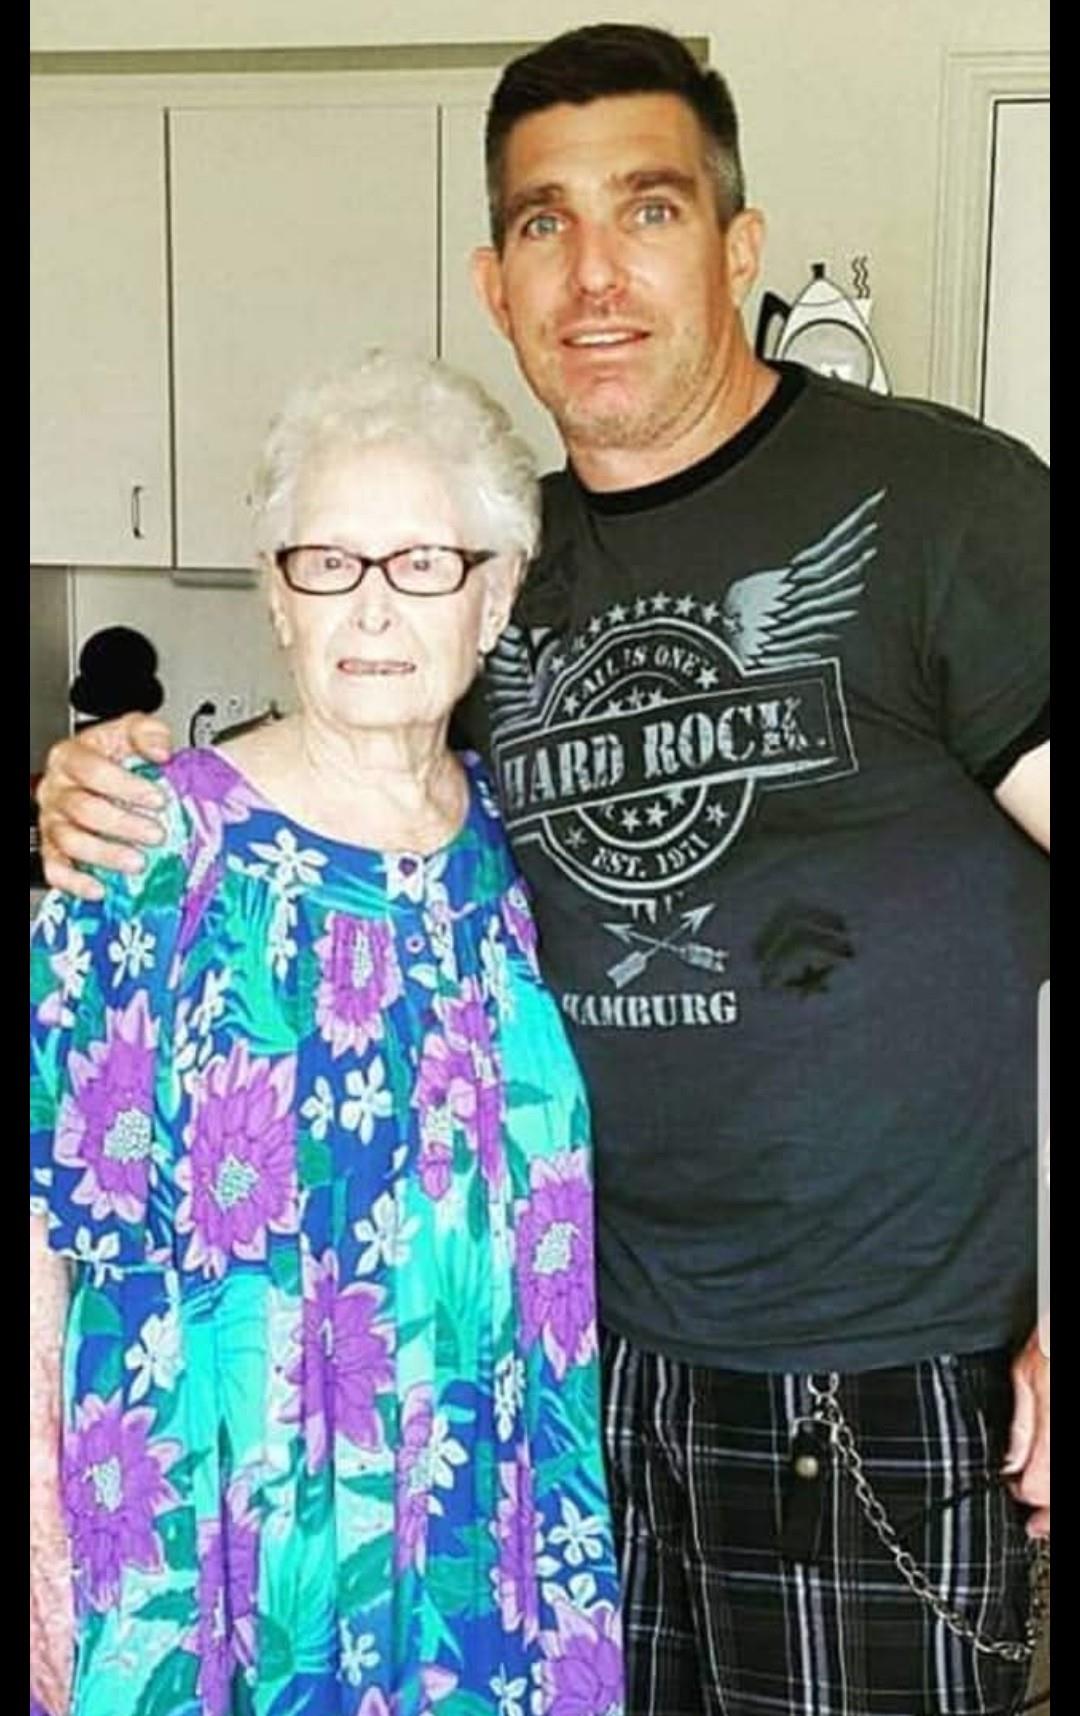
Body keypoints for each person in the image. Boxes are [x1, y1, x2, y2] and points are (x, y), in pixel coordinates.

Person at [36, 25, 1049, 1716]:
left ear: (737, 246)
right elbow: (358, 809)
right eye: (540, 224)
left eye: (647, 212)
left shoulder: (942, 503)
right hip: (567, 1390)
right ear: (492, 280)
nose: (593, 273)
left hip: (871, 1372)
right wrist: (104, 780)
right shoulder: (494, 568)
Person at [30, 353, 626, 1716]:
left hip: (487, 1515)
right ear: (275, 599)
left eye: (423, 561)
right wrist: (39, 1538)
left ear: (495, 594)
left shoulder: (517, 849)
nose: (372, 607)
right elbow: (38, 1219)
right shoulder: (145, 849)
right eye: (327, 562)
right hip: (217, 1544)